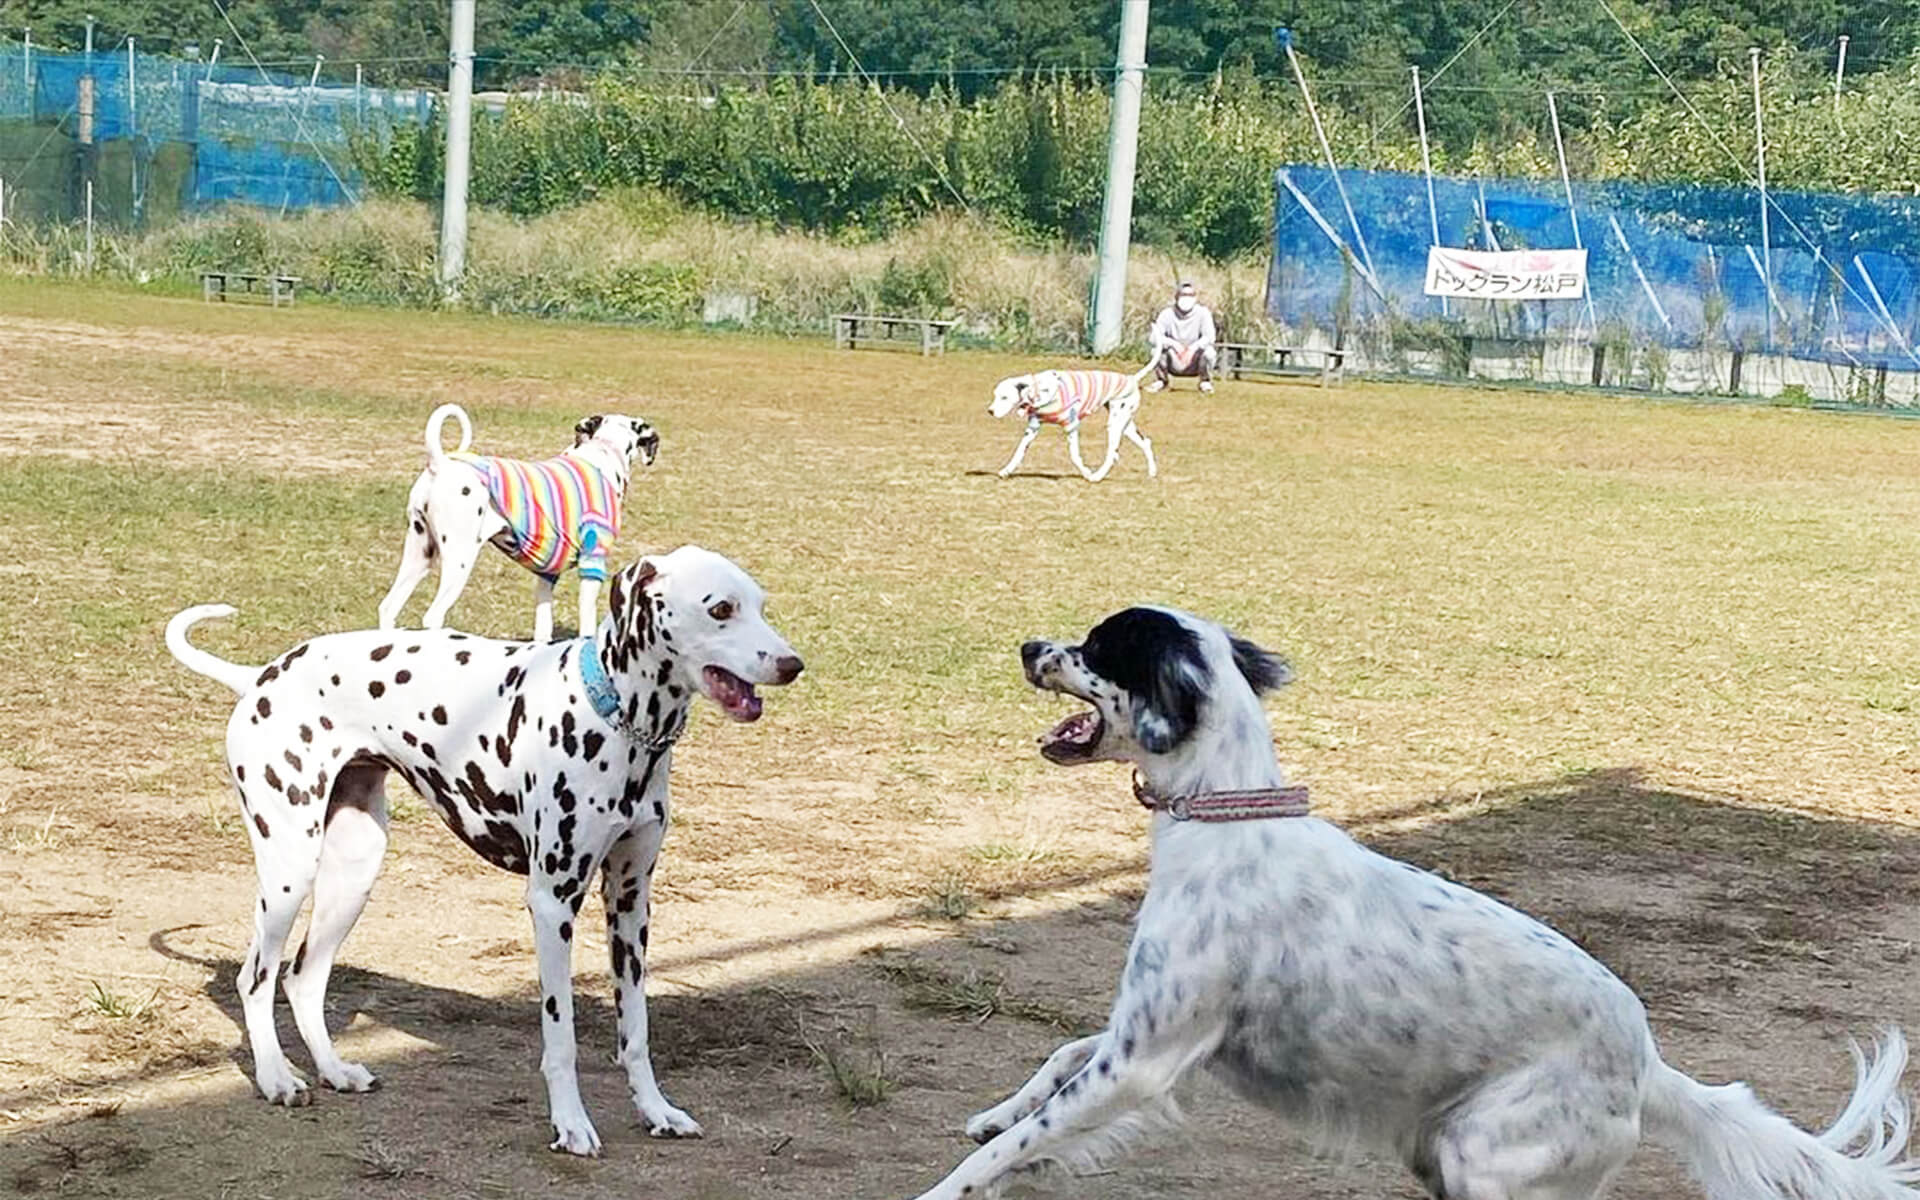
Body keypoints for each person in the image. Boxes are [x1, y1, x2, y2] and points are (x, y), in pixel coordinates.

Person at [1147, 281, 1217, 393]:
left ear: (1195, 297)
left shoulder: (1203, 313)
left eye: (1190, 295)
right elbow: (1154, 337)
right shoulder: (1167, 314)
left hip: (1194, 360)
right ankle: (1161, 381)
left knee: (1210, 352)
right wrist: (1174, 344)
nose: (1186, 298)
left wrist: (1192, 349)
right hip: (1174, 359)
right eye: (1183, 295)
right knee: (1155, 351)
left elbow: (1209, 337)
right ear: (1176, 296)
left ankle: (1205, 382)